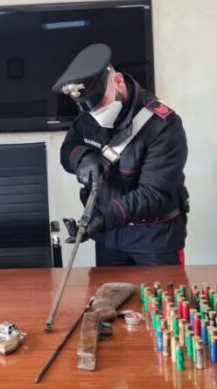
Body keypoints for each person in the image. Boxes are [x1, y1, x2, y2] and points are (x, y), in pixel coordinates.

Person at [53, 43, 189, 266]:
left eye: (100, 102)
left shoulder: (162, 125)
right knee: (105, 300)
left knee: (158, 301)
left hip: (154, 238)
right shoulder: (89, 116)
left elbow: (153, 194)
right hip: (108, 238)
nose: (96, 113)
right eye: (87, 107)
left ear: (117, 82)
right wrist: (82, 158)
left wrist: (102, 218)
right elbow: (68, 149)